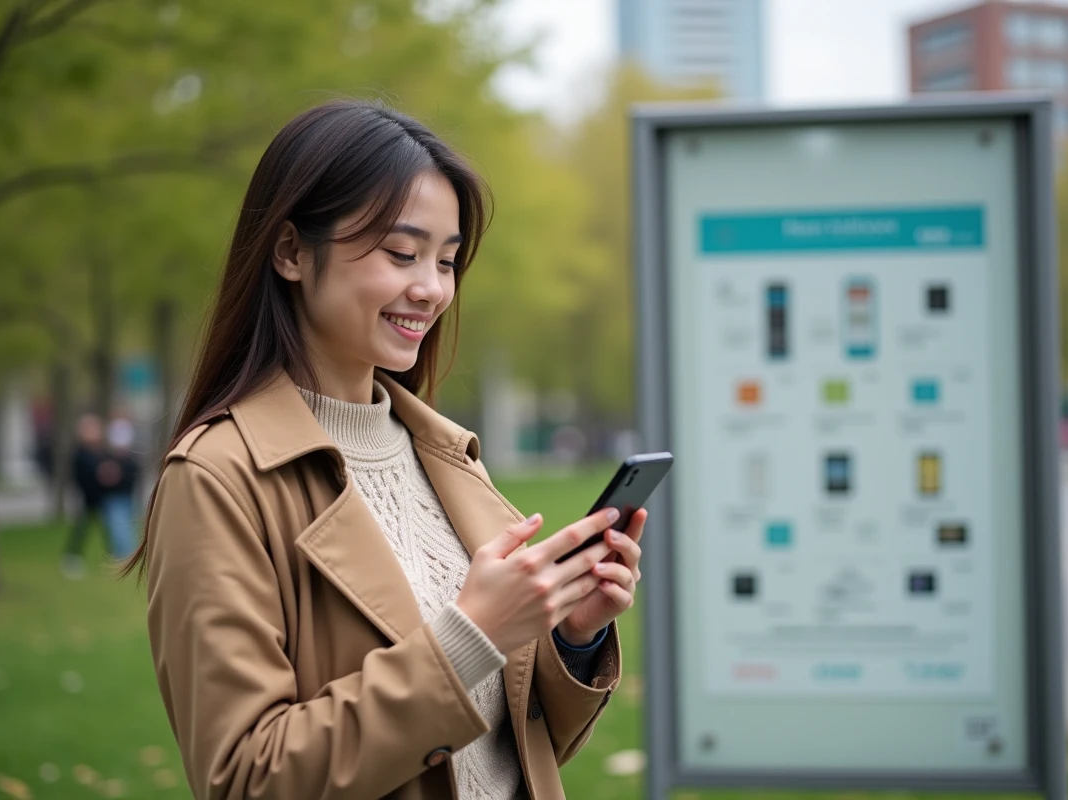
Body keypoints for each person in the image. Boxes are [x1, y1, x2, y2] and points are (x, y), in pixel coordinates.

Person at [126, 100, 644, 799]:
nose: (431, 289)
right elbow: (246, 777)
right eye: (401, 253)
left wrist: (572, 637)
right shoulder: (219, 477)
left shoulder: (445, 454)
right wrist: (468, 639)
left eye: (448, 260)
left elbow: (502, 753)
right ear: (290, 252)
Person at [62, 413, 107, 578]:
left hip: (98, 496)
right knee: (82, 528)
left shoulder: (96, 452)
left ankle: (115, 556)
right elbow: (82, 476)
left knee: (106, 526)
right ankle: (72, 557)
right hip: (87, 497)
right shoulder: (81, 453)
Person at [99, 416, 139, 560]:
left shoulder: (127, 461)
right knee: (119, 525)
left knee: (120, 526)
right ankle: (124, 552)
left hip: (121, 496)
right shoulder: (113, 458)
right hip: (116, 496)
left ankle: (126, 553)